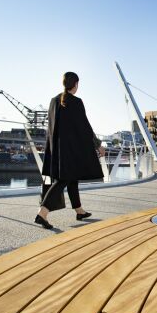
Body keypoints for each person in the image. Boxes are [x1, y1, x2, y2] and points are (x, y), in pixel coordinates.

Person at [35, 72, 106, 229]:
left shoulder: (54, 101)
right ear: (76, 84)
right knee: (63, 180)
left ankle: (79, 211)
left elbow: (51, 128)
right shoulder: (76, 102)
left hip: (56, 150)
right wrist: (98, 144)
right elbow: (85, 127)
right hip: (71, 150)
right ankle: (42, 213)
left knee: (71, 178)